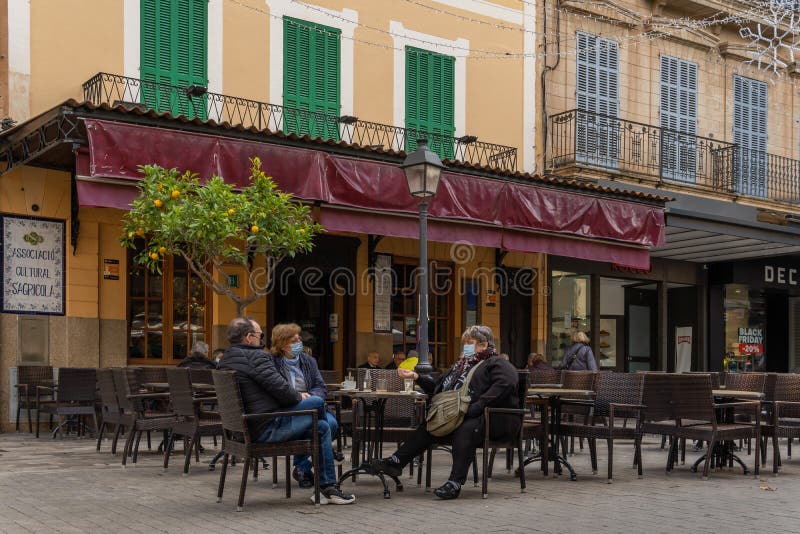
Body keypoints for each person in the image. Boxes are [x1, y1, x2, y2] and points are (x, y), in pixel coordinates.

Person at [371, 325, 520, 500]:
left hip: (493, 417)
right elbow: (438, 389)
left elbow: (506, 383)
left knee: (465, 427)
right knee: (432, 423)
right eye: (464, 343)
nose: (465, 346)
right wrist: (417, 378)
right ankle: (396, 462)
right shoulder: (460, 365)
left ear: (484, 344)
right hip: (461, 413)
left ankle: (455, 482)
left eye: (469, 343)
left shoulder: (496, 362)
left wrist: (478, 406)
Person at [218, 317, 355, 505]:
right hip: (267, 427)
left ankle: (327, 488)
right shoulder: (257, 358)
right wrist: (301, 397)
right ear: (249, 337)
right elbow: (283, 392)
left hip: (245, 428)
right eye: (260, 335)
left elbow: (285, 389)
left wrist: (296, 397)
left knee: (322, 426)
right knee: (316, 406)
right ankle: (326, 478)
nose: (261, 340)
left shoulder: (226, 359)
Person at [269, 323, 342, 489]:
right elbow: (275, 390)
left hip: (314, 406)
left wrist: (313, 396)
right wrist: (297, 397)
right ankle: (319, 468)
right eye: (294, 340)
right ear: (282, 344)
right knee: (320, 425)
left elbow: (320, 386)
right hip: (290, 408)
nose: (299, 343)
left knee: (331, 424)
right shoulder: (271, 362)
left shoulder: (309, 361)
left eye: (299, 339)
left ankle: (303, 466)